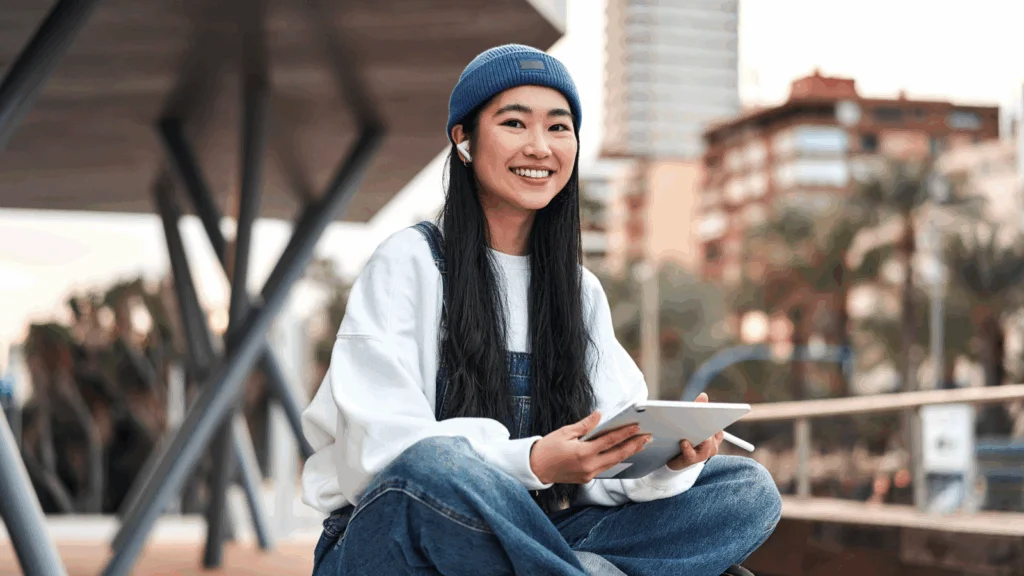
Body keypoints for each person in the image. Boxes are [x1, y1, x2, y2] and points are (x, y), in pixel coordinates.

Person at [300, 44, 781, 576]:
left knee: (743, 490)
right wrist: (534, 462)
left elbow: (612, 450)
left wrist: (666, 458)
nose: (539, 148)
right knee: (434, 465)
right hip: (390, 540)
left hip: (533, 538)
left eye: (558, 128)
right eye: (513, 123)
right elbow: (383, 456)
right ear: (463, 140)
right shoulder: (409, 262)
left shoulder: (579, 291)